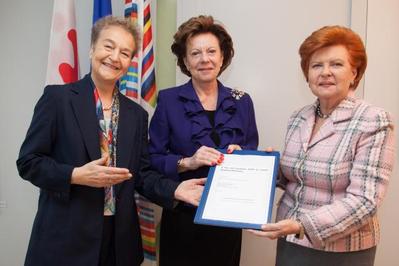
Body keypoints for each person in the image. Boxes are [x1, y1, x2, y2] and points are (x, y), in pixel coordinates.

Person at [16, 16, 206, 266]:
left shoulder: (136, 115)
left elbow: (141, 174)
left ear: (129, 62)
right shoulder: (58, 99)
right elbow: (29, 162)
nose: (115, 57)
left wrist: (175, 190)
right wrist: (74, 175)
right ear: (92, 48)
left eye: (125, 52)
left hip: (118, 243)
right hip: (65, 240)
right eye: (108, 46)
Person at [249, 26, 395, 266]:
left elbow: (365, 200)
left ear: (354, 73)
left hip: (342, 249)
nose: (325, 73)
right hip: (291, 241)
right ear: (307, 74)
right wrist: (263, 168)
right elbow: (297, 178)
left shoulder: (373, 120)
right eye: (316, 65)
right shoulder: (299, 117)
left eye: (336, 64)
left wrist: (302, 225)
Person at [148, 15, 259, 266]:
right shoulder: (168, 101)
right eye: (195, 53)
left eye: (211, 51)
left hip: (228, 218)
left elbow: (252, 153)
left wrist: (242, 156)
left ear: (222, 57)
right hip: (183, 215)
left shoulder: (243, 101)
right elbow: (152, 158)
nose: (204, 59)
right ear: (185, 61)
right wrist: (187, 162)